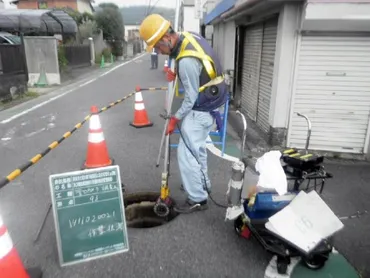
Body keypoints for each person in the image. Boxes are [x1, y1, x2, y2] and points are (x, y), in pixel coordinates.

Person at [139, 14, 228, 214]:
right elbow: (193, 67)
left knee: (187, 153)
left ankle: (197, 198)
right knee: (198, 148)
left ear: (166, 38)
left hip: (203, 107)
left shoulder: (186, 60)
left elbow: (190, 97)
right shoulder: (188, 37)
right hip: (213, 101)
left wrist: (175, 119)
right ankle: (201, 185)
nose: (159, 52)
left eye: (158, 47)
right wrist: (176, 71)